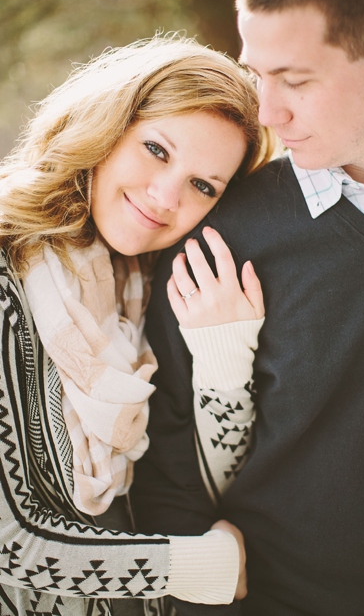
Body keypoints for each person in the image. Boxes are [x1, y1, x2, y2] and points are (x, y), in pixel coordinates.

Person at [130, 0, 364, 614]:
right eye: (257, 76)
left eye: (294, 80)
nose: (266, 111)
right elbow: (172, 486)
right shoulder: (222, 238)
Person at [0, 35, 275, 615]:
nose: (166, 196)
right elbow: (10, 541)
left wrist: (225, 358)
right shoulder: (9, 272)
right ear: (106, 124)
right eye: (157, 149)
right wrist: (207, 564)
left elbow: (200, 469)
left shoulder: (140, 286)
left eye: (204, 186)